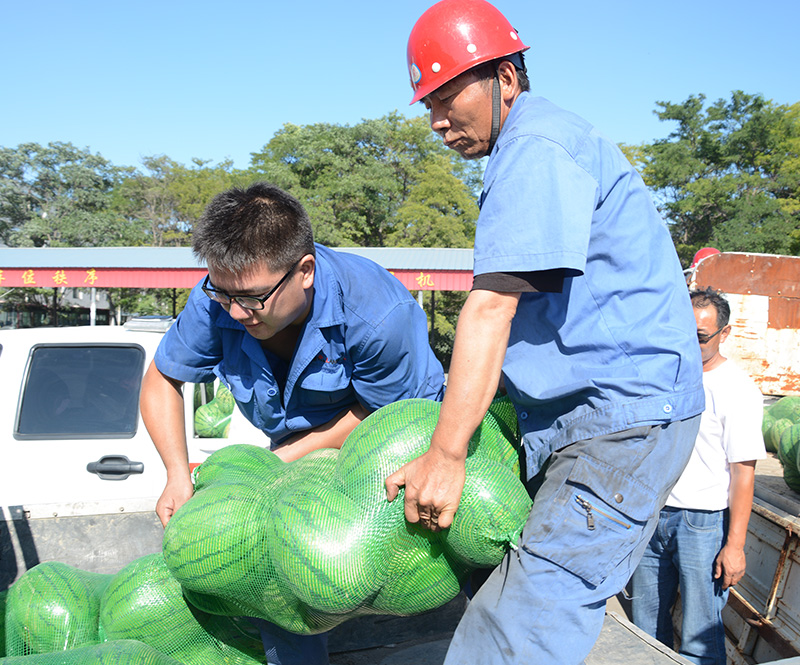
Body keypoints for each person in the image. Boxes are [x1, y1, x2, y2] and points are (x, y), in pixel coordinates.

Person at [384, 1, 706, 663]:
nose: (438, 121)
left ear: (505, 78)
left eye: (448, 97)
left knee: (508, 634)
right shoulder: (534, 147)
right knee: (499, 597)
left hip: (623, 422)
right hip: (593, 418)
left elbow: (491, 308)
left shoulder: (537, 145)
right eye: (428, 107)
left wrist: (446, 454)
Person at [140, 181, 445, 665]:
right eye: (224, 295)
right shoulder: (221, 296)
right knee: (280, 571)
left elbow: (378, 414)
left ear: (304, 271)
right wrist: (176, 475)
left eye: (254, 299)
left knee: (396, 566)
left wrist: (275, 464)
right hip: (297, 442)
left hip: (399, 434)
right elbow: (163, 377)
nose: (237, 313)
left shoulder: (377, 312)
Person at [631, 288, 765, 665]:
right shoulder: (664, 378)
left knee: (699, 634)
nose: (691, 344)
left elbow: (743, 474)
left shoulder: (737, 390)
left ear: (725, 334)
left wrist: (735, 546)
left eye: (702, 337)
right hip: (653, 515)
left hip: (702, 525)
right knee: (644, 626)